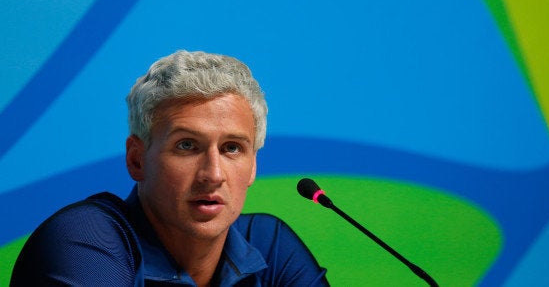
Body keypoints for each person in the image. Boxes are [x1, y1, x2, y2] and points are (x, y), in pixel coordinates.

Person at [11, 50, 329, 286]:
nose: (213, 174)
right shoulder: (86, 240)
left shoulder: (267, 247)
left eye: (232, 148)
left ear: (253, 167)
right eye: (187, 146)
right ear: (137, 159)